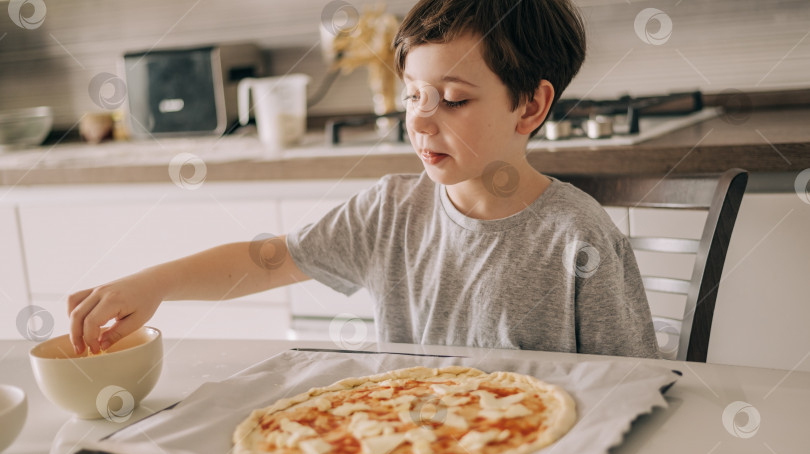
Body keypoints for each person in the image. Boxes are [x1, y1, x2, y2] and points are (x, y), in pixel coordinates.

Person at [68, 0, 659, 359]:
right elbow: (268, 259)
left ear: (529, 108)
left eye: (452, 100)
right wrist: (154, 283)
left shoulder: (578, 236)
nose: (421, 120)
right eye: (413, 96)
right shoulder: (388, 211)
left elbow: (635, 384)